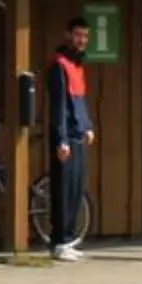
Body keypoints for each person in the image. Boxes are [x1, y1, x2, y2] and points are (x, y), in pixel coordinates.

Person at [44, 16, 94, 263]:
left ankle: (69, 239)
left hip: (78, 134)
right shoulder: (59, 65)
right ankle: (59, 242)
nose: (81, 40)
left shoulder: (78, 65)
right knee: (62, 191)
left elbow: (80, 100)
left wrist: (88, 126)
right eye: (77, 35)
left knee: (75, 189)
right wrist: (61, 139)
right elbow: (59, 106)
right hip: (65, 137)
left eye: (85, 36)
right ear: (68, 35)